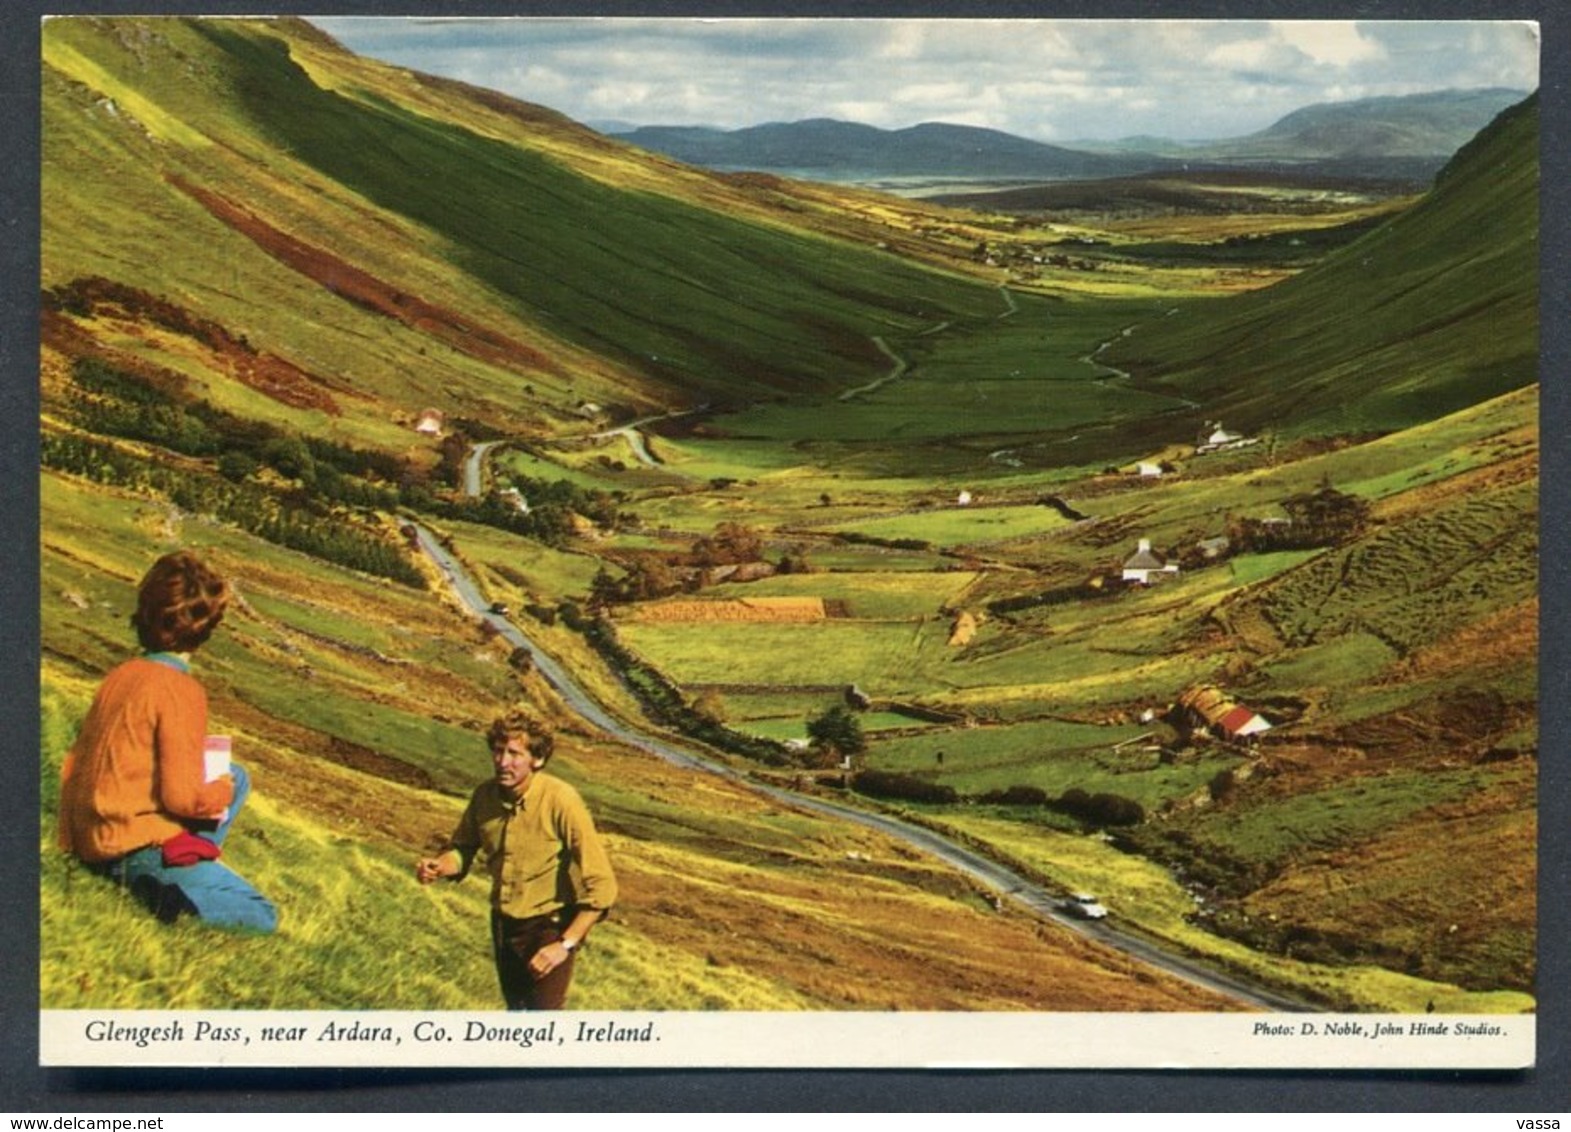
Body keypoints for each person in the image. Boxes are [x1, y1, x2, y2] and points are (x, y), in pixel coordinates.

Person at [58, 551, 278, 934]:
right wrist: (218, 791)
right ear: (206, 628)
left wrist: (69, 841)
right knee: (261, 912)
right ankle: (171, 892)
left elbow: (76, 763)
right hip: (131, 848)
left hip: (88, 833)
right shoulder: (181, 689)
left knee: (237, 774)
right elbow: (182, 798)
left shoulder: (122, 673)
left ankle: (190, 862)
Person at [416, 709, 617, 1010]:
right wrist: (440, 866)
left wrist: (564, 945)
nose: (502, 762)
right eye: (498, 751)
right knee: (516, 1015)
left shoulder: (561, 800)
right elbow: (463, 849)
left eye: (514, 753)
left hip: (551, 927)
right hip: (503, 926)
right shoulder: (484, 796)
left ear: (537, 759)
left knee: (541, 1026)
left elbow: (604, 887)